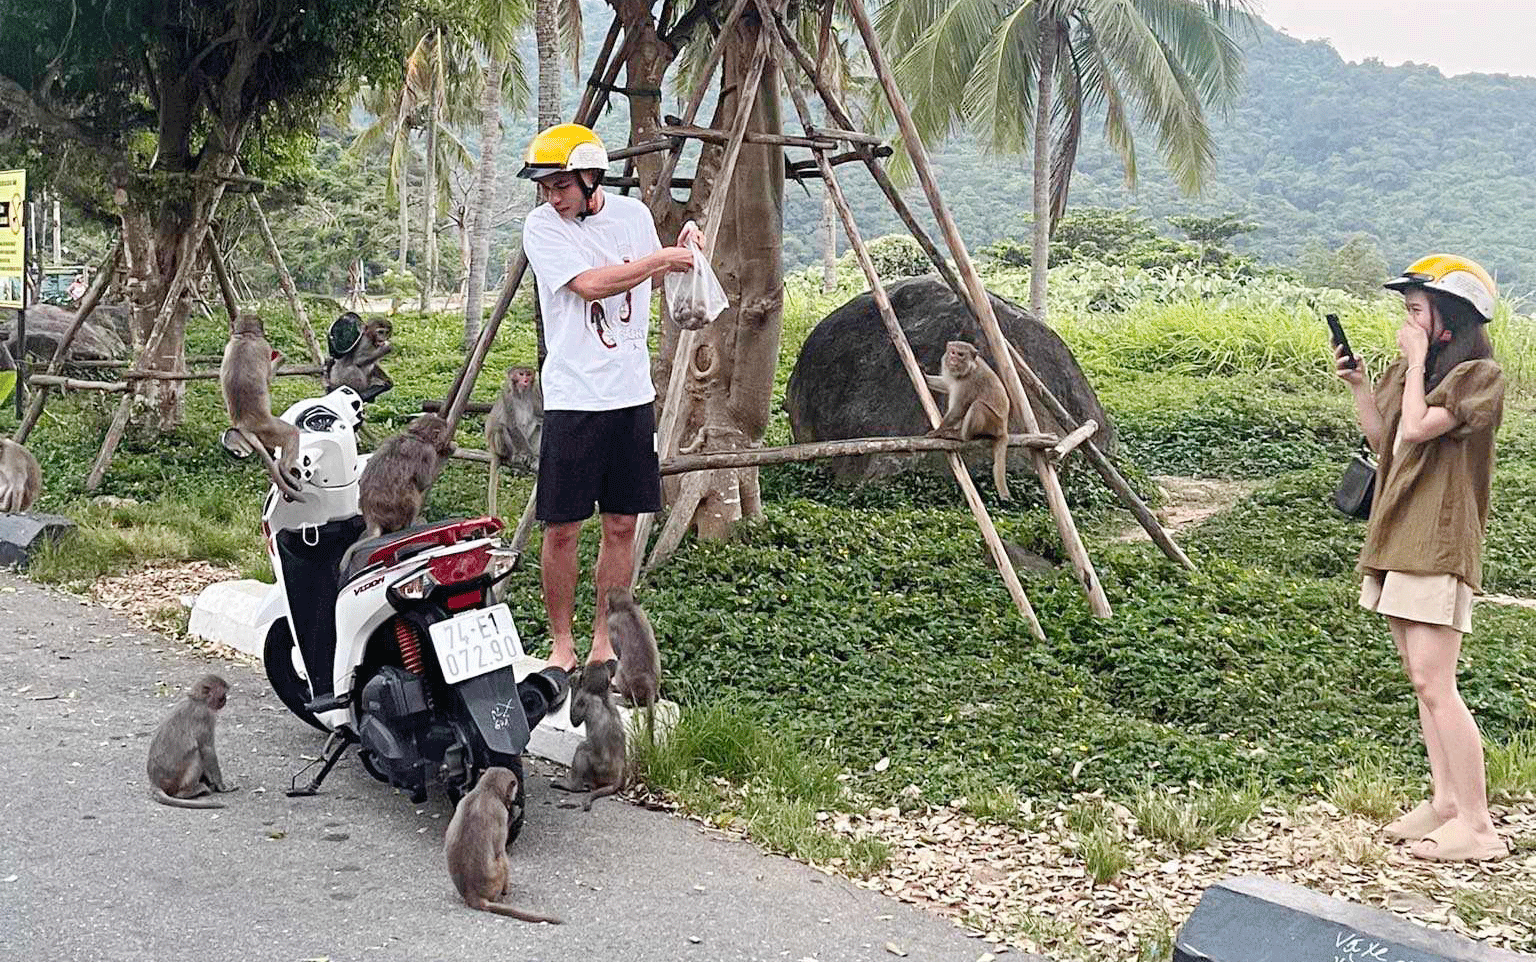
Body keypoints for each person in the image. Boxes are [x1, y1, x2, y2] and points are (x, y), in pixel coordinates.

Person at [1335, 253, 1507, 862]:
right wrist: (1361, 386)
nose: (1405, 324)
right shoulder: (1419, 367)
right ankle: (1445, 802)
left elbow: (1416, 427)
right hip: (1397, 535)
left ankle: (1480, 828)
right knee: (1420, 679)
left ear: (1449, 320)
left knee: (1438, 682)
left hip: (1437, 539)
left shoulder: (1478, 376)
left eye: (1415, 312)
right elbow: (1383, 440)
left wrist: (1411, 367)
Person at [517, 123, 700, 688]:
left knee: (621, 523)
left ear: (591, 175)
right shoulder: (542, 227)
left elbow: (662, 272)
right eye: (545, 186)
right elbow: (591, 284)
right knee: (563, 529)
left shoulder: (632, 217)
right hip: (574, 398)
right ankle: (562, 642)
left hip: (630, 397)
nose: (553, 196)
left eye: (561, 185)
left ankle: (603, 640)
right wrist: (661, 261)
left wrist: (683, 247)